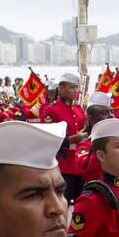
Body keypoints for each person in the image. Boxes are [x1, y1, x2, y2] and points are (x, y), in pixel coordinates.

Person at [40, 73, 87, 202]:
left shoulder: (78, 109)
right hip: (63, 165)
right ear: (61, 89)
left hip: (80, 164)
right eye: (72, 87)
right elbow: (46, 140)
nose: (75, 91)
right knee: (61, 205)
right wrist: (71, 139)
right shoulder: (52, 110)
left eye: (77, 88)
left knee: (82, 207)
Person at [74, 91, 116, 184]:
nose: (110, 115)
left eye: (111, 111)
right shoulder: (86, 143)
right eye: (104, 112)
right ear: (91, 117)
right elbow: (86, 170)